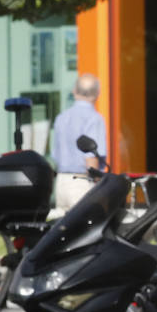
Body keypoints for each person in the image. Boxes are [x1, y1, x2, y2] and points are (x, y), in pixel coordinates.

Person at [50, 73, 107, 211]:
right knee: (86, 228)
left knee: (62, 229)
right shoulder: (94, 119)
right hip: (82, 182)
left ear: (74, 91)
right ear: (97, 94)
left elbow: (55, 154)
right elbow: (91, 158)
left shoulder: (61, 118)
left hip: (61, 182)